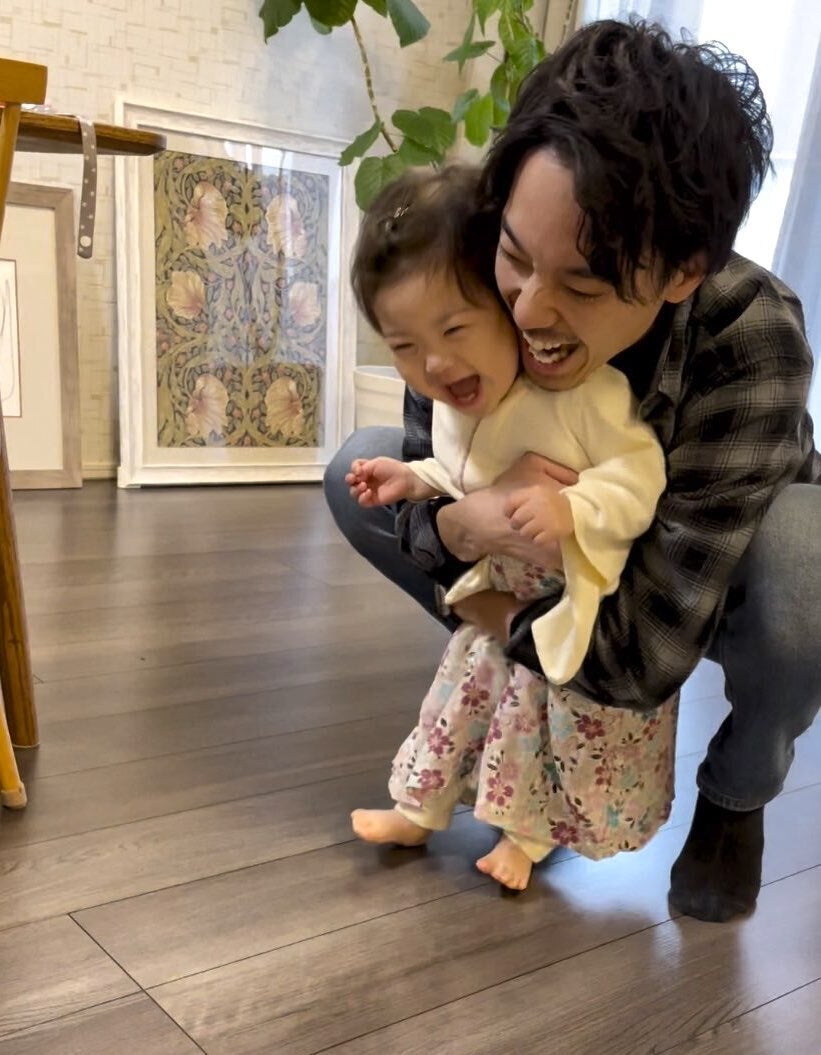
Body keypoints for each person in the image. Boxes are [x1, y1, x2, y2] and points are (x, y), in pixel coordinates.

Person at [325, 19, 820, 921]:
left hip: (700, 568)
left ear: (681, 274)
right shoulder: (472, 248)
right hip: (536, 560)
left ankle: (737, 792)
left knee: (806, 575)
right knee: (357, 469)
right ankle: (523, 693)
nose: (527, 309)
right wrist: (460, 523)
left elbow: (648, 654)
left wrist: (496, 602)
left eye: (583, 286)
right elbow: (431, 462)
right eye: (514, 259)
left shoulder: (749, 334)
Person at [346, 164, 678, 890]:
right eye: (403, 346)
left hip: (569, 611)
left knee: (540, 725)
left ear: (505, 305)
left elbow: (639, 476)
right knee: (454, 699)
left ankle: (526, 839)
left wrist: (574, 507)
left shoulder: (583, 394)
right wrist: (414, 478)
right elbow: (463, 472)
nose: (435, 364)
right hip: (498, 594)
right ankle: (418, 807)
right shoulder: (457, 400)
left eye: (453, 329)